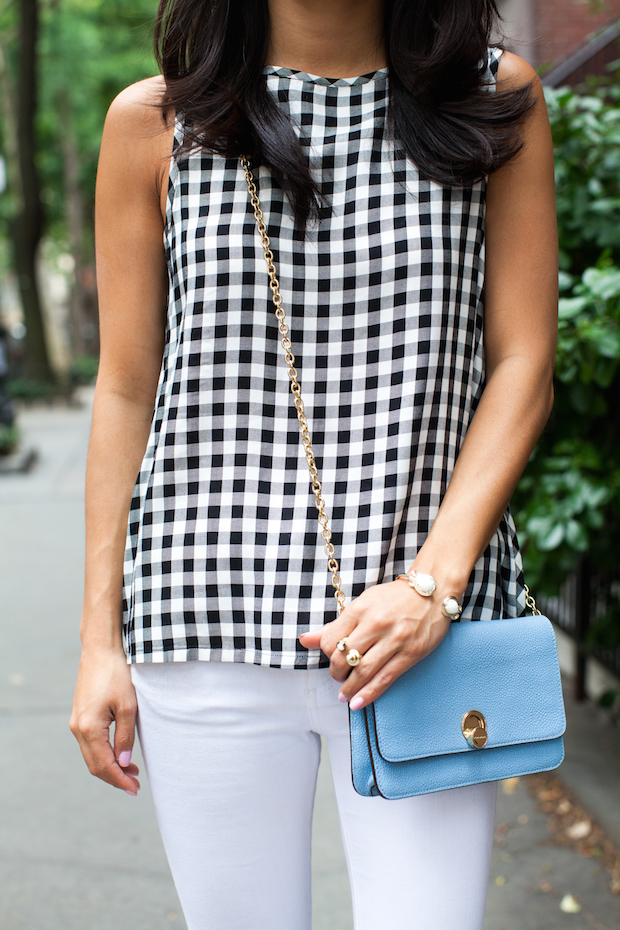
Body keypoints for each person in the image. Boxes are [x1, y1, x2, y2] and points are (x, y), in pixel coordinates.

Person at [70, 1, 558, 927]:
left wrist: (433, 584)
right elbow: (126, 388)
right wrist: (99, 644)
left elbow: (524, 361)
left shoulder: (493, 100)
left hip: (427, 636)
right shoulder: (156, 123)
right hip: (202, 619)